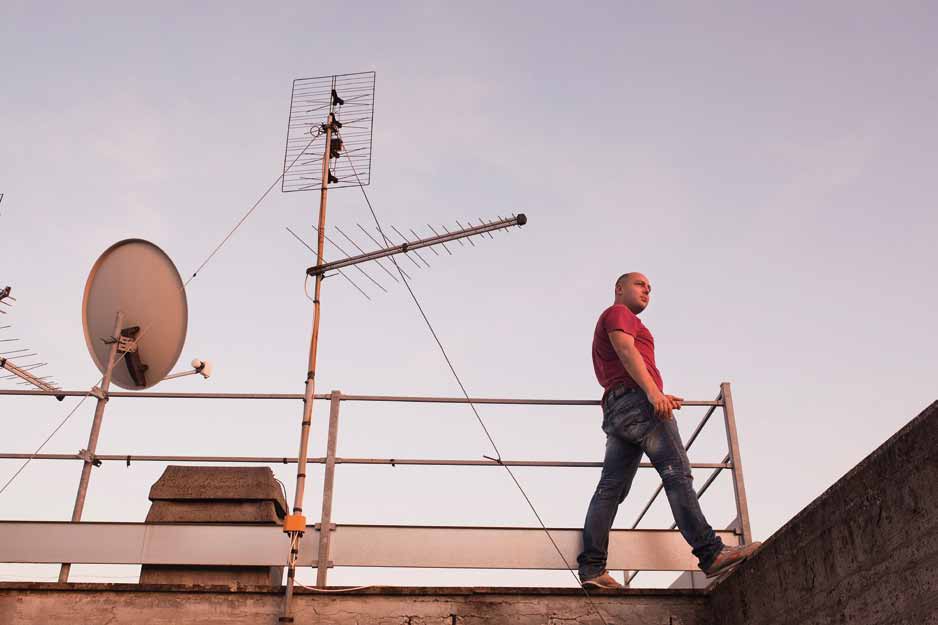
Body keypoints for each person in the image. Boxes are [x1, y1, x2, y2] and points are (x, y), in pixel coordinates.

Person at [577, 272, 760, 589]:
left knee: (611, 489)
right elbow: (625, 350)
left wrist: (651, 394)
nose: (647, 290)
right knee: (676, 474)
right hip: (640, 403)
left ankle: (593, 569)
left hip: (619, 409)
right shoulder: (618, 313)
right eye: (640, 284)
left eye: (650, 287)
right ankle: (710, 553)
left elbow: (619, 367)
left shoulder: (613, 318)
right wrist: (653, 394)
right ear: (619, 289)